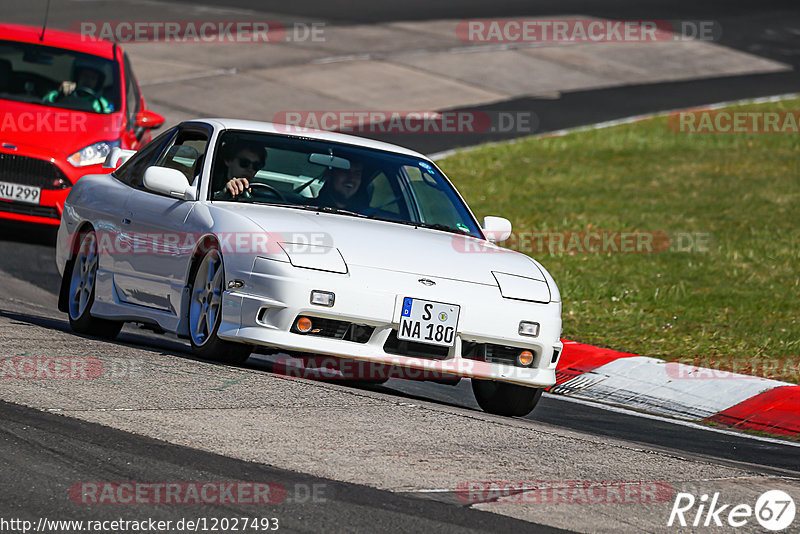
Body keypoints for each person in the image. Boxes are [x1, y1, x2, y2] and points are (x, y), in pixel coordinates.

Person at [42, 63, 113, 113]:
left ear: (98, 82)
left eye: (93, 78)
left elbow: (109, 116)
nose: (88, 80)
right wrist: (59, 95)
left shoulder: (101, 103)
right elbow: (44, 102)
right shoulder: (64, 92)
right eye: (85, 76)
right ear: (77, 77)